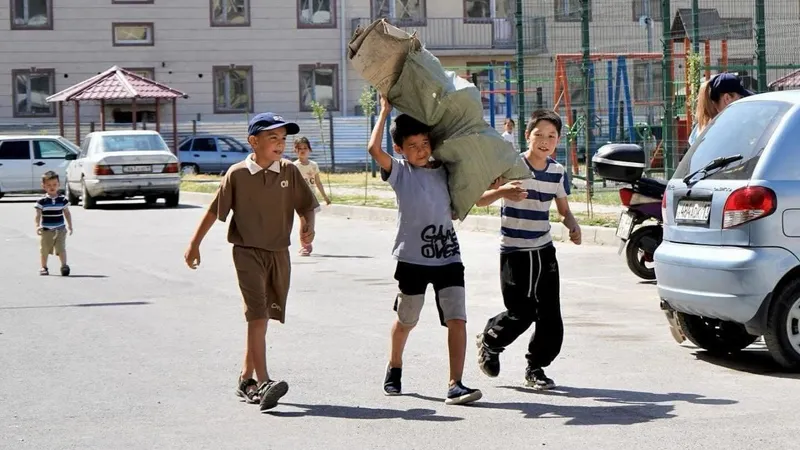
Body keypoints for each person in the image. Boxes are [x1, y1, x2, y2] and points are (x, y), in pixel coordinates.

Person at [183, 112, 319, 412]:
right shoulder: (237, 174)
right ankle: (264, 380)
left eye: (283, 138)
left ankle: (246, 379)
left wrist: (306, 226)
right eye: (273, 138)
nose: (280, 144)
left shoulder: (289, 171)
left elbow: (306, 205)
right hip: (247, 253)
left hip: (279, 253)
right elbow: (214, 210)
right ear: (254, 142)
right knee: (256, 315)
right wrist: (194, 244)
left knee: (264, 317)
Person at [369, 97, 482, 406]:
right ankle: (394, 365)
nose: (421, 150)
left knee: (457, 319)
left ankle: (455, 384)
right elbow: (373, 150)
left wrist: (499, 188)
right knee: (407, 320)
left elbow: (473, 196)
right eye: (413, 146)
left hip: (448, 257)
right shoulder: (400, 172)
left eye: (424, 143)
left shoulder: (445, 171)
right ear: (400, 149)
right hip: (412, 260)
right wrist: (384, 112)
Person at [475, 109, 581, 391]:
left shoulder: (557, 172)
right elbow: (480, 199)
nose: (545, 141)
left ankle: (536, 368)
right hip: (514, 251)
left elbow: (563, 210)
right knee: (521, 311)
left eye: (552, 136)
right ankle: (491, 341)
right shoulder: (511, 165)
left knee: (550, 314)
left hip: (544, 251)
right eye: (539, 134)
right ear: (527, 135)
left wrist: (573, 225)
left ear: (558, 140)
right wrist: (503, 192)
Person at [688, 72, 753, 146]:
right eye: (740, 98)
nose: (742, 103)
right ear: (727, 98)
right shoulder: (727, 130)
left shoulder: (700, 127)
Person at [292, 136, 331, 256]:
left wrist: (325, 197)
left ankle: (308, 242)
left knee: (311, 223)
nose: (302, 150)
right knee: (303, 222)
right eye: (299, 148)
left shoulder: (313, 165)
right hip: (300, 199)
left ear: (310, 149)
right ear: (295, 150)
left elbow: (318, 182)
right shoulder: (294, 166)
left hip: (311, 199)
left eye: (305, 148)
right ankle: (304, 245)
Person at [35, 171, 73, 276]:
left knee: (61, 248)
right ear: (43, 186)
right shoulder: (42, 201)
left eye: (54, 184)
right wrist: (37, 226)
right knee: (44, 249)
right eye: (49, 185)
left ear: (58, 185)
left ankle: (64, 265)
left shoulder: (62, 200)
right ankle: (44, 267)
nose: (52, 187)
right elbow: (38, 214)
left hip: (60, 229)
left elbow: (67, 213)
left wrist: (70, 225)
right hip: (46, 230)